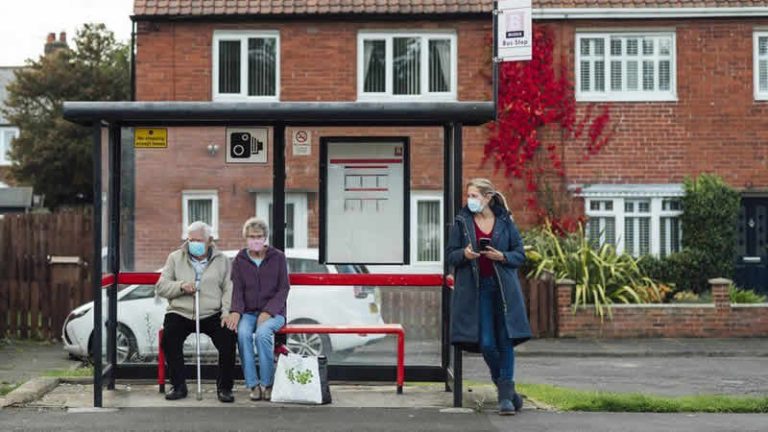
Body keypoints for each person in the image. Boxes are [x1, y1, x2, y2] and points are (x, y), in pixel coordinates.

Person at [446, 178, 532, 415]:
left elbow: (520, 255)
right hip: (477, 290)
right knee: (486, 343)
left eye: (474, 196)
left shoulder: (505, 222)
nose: (470, 200)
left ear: (487, 197)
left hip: (504, 289)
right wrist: (464, 254)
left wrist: (502, 257)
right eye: (468, 196)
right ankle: (509, 392)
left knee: (505, 340)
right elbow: (450, 256)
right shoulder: (462, 222)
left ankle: (505, 398)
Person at [155, 220, 237, 402]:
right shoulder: (175, 258)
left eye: (199, 240)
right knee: (170, 338)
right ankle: (178, 386)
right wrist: (181, 286)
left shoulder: (222, 260)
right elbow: (161, 287)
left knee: (228, 338)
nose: (194, 244)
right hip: (181, 311)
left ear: (210, 241)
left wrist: (226, 312)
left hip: (211, 312)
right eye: (191, 240)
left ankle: (225, 388)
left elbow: (228, 288)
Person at [228, 217, 290, 402]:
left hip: (274, 313)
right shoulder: (239, 260)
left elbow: (283, 288)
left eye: (259, 236)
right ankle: (253, 385)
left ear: (265, 238)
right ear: (246, 238)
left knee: (263, 334)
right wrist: (236, 312)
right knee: (243, 334)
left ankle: (267, 383)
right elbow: (237, 289)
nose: (256, 240)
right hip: (248, 312)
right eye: (252, 236)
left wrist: (268, 311)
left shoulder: (278, 257)